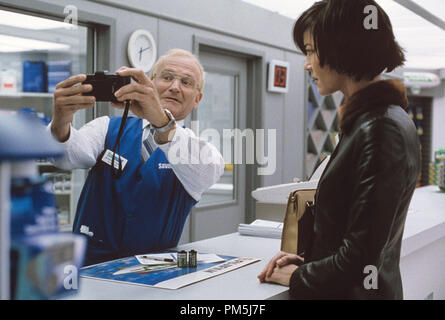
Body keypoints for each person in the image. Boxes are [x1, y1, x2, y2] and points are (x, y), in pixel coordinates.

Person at [258, 0, 421, 299]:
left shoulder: (379, 128)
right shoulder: (379, 119)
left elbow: (359, 258)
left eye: (310, 51)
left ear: (341, 46)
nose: (307, 64)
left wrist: (299, 276)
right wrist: (309, 264)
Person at [49, 49, 225, 266]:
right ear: (150, 83)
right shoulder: (107, 127)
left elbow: (207, 171)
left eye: (187, 82)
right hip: (88, 267)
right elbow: (67, 159)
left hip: (152, 274)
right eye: (167, 77)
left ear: (197, 99)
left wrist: (162, 122)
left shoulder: (195, 149)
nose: (175, 87)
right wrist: (60, 122)